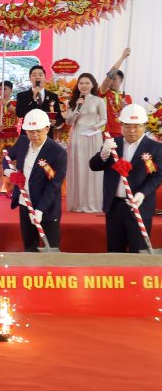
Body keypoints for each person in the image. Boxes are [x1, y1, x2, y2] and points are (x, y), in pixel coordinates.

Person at [89, 104, 162, 253]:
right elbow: (94, 166)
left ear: (145, 125)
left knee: (139, 251)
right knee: (115, 251)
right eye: (127, 126)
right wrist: (104, 152)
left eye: (137, 126)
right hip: (114, 206)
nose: (132, 131)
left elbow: (156, 176)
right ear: (121, 125)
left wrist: (142, 194)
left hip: (139, 206)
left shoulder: (155, 148)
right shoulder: (113, 144)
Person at [4, 110, 67, 252]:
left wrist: (40, 209)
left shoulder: (57, 152)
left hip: (47, 207)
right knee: (29, 247)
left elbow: (54, 185)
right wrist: (8, 171)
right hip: (24, 202)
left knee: (51, 249)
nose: (34, 135)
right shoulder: (22, 142)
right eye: (30, 131)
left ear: (47, 128)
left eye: (38, 131)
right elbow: (6, 157)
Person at [64, 73, 107, 213]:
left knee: (92, 166)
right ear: (78, 85)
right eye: (81, 83)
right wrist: (77, 107)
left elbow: (104, 119)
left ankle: (93, 202)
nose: (84, 86)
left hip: (93, 136)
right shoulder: (73, 101)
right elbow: (69, 121)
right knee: (78, 167)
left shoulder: (98, 100)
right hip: (77, 136)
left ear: (92, 85)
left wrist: (97, 125)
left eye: (87, 83)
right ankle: (78, 203)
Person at [15, 65, 64, 140]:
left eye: (40, 75)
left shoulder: (53, 96)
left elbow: (59, 117)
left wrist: (56, 122)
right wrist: (33, 99)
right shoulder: (22, 96)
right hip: (28, 136)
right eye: (34, 75)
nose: (37, 77)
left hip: (47, 136)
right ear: (30, 78)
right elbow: (20, 113)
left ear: (45, 78)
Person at [98, 47, 133, 139]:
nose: (111, 81)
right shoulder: (104, 92)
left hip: (123, 133)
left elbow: (130, 117)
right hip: (106, 132)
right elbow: (109, 76)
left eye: (114, 79)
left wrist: (125, 109)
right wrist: (122, 58)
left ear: (121, 80)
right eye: (110, 79)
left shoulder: (128, 97)